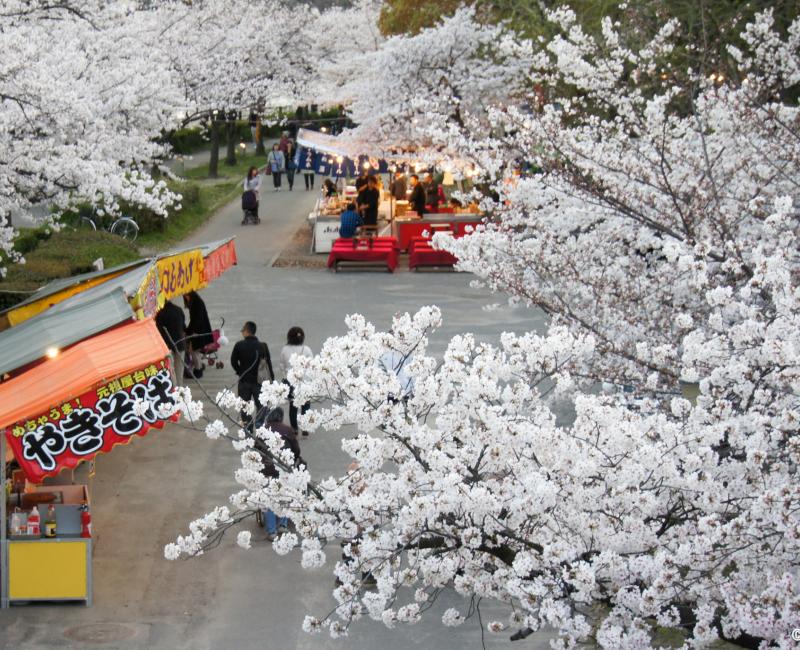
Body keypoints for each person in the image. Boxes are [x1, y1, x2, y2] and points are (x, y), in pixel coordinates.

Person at [256, 407, 304, 541]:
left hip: (267, 469)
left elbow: (255, 448)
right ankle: (282, 524)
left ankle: (271, 531)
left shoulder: (262, 431)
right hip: (284, 468)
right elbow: (296, 450)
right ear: (281, 417)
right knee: (284, 495)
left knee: (269, 498)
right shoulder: (287, 430)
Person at [281, 326, 313, 435]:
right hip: (305, 382)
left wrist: (286, 374)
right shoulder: (307, 350)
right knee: (306, 405)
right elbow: (312, 365)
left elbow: (281, 365)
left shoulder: (285, 349)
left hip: (291, 382)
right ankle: (305, 427)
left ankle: (294, 428)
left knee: (293, 406)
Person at [231, 321, 264, 427]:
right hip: (258, 381)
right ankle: (260, 427)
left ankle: (248, 428)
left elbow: (233, 361)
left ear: (246, 331)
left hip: (244, 380)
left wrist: (240, 371)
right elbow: (267, 364)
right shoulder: (261, 346)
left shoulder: (239, 345)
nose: (242, 332)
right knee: (261, 405)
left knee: (244, 406)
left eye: (243, 330)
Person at [183, 291, 213, 379]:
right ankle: (198, 368)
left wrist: (189, 331)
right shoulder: (196, 302)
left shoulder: (197, 304)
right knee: (194, 351)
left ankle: (198, 370)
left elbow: (196, 320)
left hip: (198, 332)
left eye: (186, 295)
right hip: (198, 330)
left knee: (193, 351)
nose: (185, 297)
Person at [155, 301, 185, 386]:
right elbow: (183, 325)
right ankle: (180, 388)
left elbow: (159, 331)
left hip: (167, 345)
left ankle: (174, 388)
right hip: (180, 344)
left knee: (171, 370)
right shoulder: (178, 309)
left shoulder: (161, 314)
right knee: (179, 369)